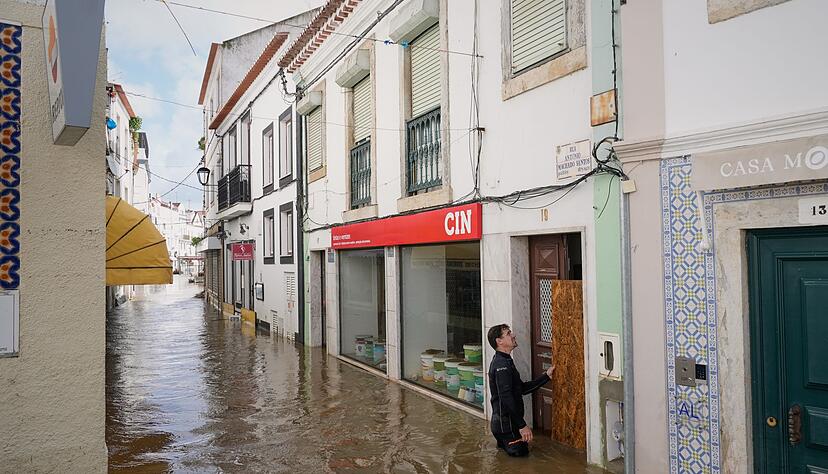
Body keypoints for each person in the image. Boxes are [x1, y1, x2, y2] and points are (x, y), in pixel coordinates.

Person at [487, 323, 555, 457]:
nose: (513, 335)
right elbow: (506, 399)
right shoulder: (502, 366)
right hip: (506, 426)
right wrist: (522, 426)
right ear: (499, 341)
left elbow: (521, 389)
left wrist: (546, 376)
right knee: (522, 457)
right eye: (508, 333)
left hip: (504, 425)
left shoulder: (505, 361)